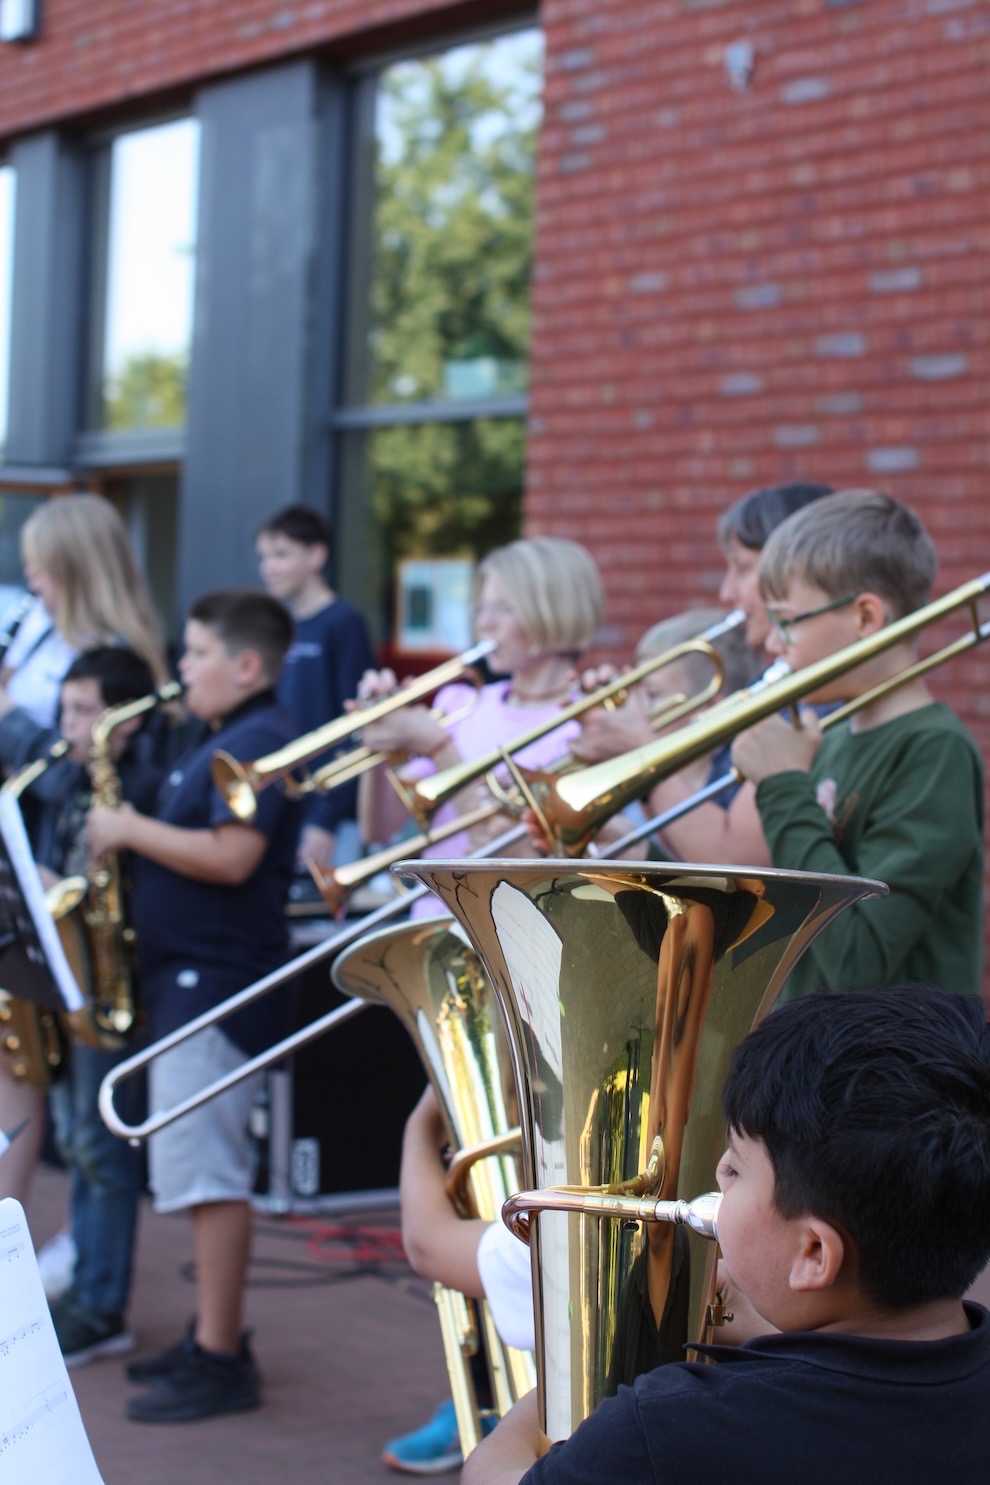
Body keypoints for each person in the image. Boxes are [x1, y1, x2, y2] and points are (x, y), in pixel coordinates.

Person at [462, 983, 990, 1484]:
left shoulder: (665, 1426)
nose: (715, 1173)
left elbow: (490, 1474)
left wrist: (583, 1357)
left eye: (734, 1169)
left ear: (813, 1253)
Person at [85, 589, 304, 1423]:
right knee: (191, 1170)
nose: (181, 668)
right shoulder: (218, 737)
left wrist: (128, 829)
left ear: (245, 664)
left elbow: (233, 856)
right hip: (187, 982)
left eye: (195, 652)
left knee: (209, 1176)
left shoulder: (261, 741)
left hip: (216, 984)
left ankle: (220, 1357)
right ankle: (211, 1334)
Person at [731, 487, 984, 999]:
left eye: (786, 622)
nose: (773, 644)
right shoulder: (831, 737)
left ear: (866, 618)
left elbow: (856, 960)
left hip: (888, 1068)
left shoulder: (934, 750)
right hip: (812, 1058)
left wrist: (782, 785)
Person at [0, 494, 170, 1206]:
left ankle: (88, 1281)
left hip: (70, 883)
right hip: (31, 866)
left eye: (42, 565)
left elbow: (83, 768)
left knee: (82, 1117)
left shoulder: (113, 656)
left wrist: (9, 721)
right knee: (42, 1092)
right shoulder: (43, 632)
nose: (31, 578)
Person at [0, 647, 165, 1363]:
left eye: (85, 710)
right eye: (65, 710)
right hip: (67, 978)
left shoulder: (142, 787)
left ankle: (102, 1301)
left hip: (108, 981)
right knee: (74, 1140)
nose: (69, 724)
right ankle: (88, 1288)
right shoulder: (62, 779)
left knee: (100, 1149)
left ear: (125, 720)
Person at [571, 482, 832, 867]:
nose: (727, 593)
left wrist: (639, 753)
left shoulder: (814, 704)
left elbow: (734, 862)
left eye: (742, 568)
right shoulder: (769, 687)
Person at [358, 536, 605, 918]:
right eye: (481, 608)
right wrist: (377, 746)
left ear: (555, 612)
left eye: (504, 608)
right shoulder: (459, 702)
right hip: (433, 922)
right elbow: (377, 830)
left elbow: (497, 845)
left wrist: (439, 748)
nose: (484, 622)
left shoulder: (584, 725)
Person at [383, 1084, 535, 1475]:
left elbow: (426, 1243)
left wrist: (420, 1126)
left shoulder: (568, 1237)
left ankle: (496, 1409)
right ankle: (489, 1395)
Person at [256, 504, 375, 873]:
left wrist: (326, 819)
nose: (269, 567)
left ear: (317, 555)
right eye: (263, 557)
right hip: (283, 808)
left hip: (330, 818)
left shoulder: (343, 623)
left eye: (281, 554)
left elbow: (357, 726)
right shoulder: (277, 628)